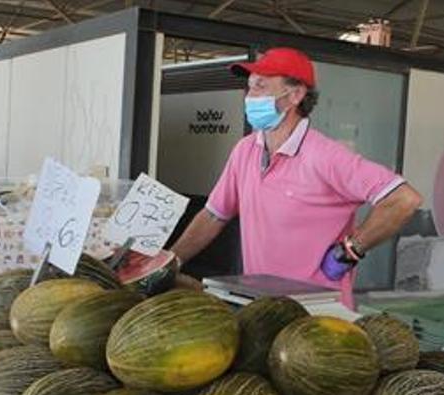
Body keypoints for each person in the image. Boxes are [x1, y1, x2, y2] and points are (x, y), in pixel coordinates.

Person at [169, 48, 422, 308]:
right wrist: (171, 261)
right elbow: (214, 214)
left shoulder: (325, 156)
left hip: (317, 314)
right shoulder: (245, 150)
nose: (249, 97)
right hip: (261, 307)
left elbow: (403, 200)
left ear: (295, 95)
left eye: (260, 86)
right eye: (249, 87)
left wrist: (350, 250)